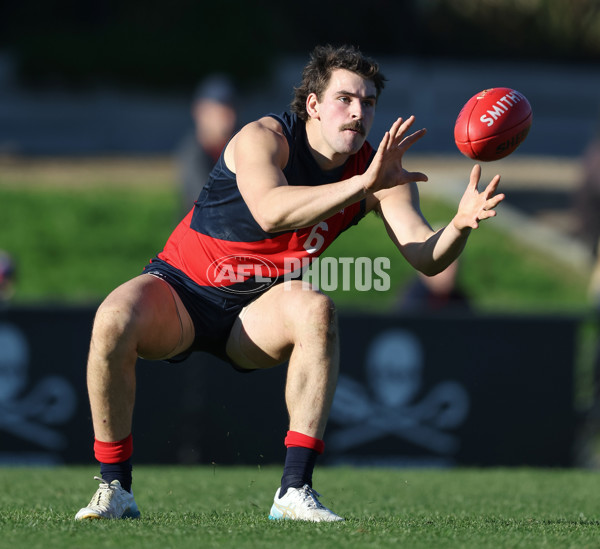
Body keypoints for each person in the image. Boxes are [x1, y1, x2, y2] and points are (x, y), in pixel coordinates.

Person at [75, 44, 504, 522]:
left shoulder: (379, 171)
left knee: (317, 310)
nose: (358, 113)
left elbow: (425, 255)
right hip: (183, 291)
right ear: (313, 106)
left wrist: (461, 225)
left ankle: (294, 490)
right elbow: (271, 211)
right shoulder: (263, 137)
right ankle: (115, 488)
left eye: (368, 103)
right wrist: (363, 185)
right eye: (345, 99)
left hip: (258, 310)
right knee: (112, 318)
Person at [176, 73, 238, 213]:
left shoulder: (239, 143)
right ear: (200, 111)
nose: (229, 116)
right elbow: (206, 199)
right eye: (221, 109)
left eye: (231, 107)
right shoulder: (193, 153)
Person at [396, 259, 472, 313]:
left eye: (451, 266)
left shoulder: (461, 302)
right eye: (443, 267)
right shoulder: (410, 305)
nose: (449, 274)